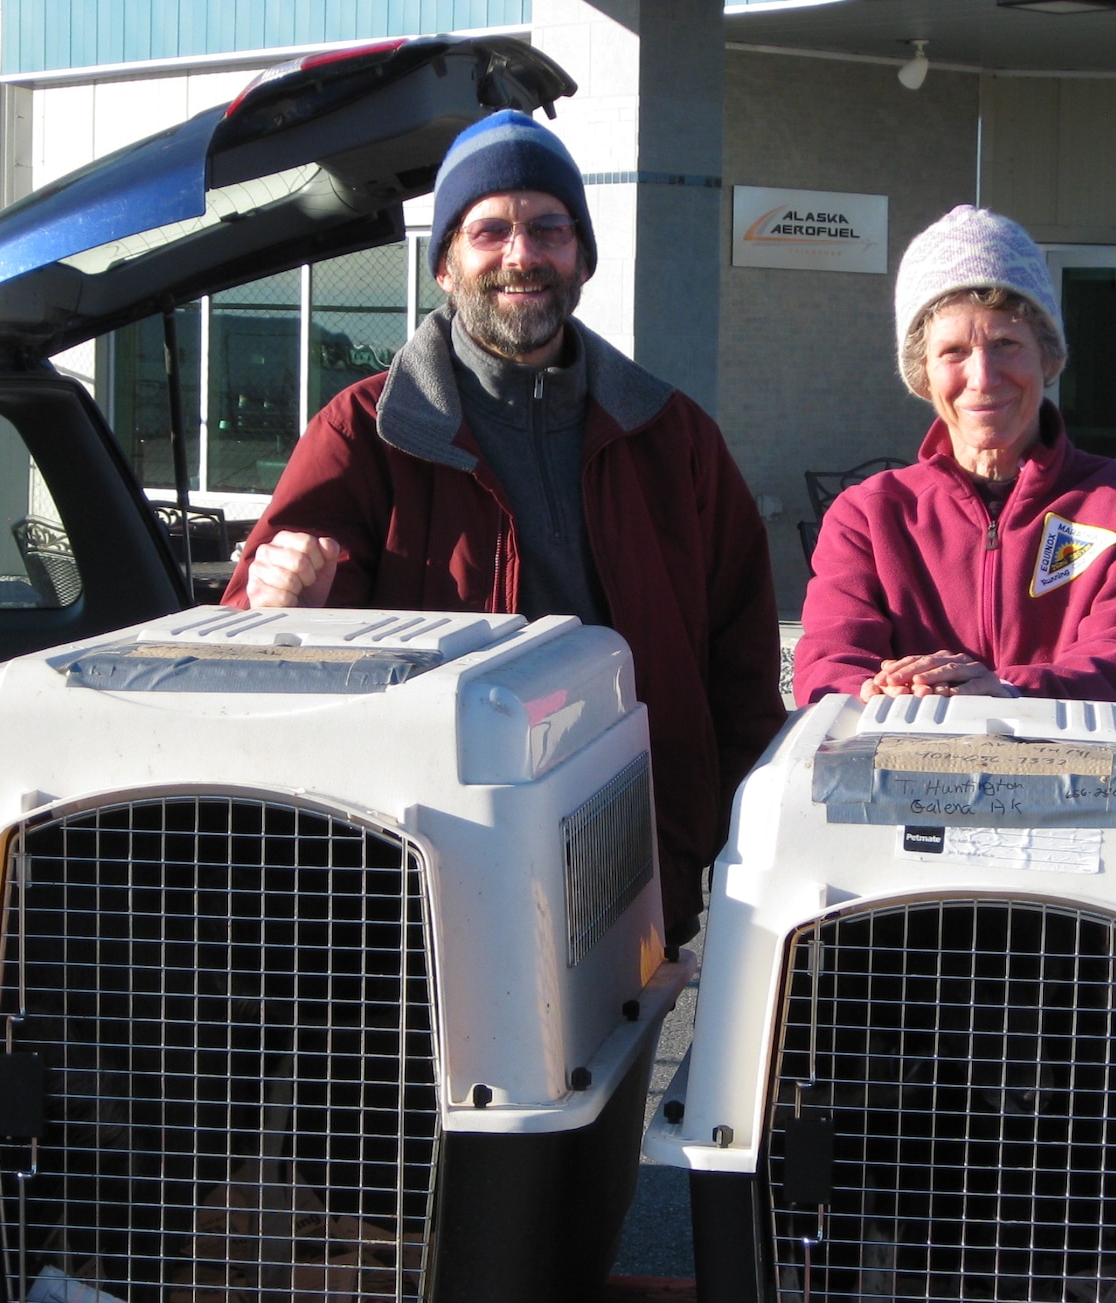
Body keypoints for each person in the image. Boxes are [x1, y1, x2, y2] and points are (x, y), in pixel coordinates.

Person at [223, 110, 784, 947]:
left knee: (611, 1079)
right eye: (490, 231)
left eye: (548, 229)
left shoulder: (674, 437)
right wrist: (276, 606)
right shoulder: (364, 431)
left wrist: (739, 848)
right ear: (446, 264)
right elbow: (252, 654)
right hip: (423, 874)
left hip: (634, 866)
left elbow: (740, 673)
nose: (521, 255)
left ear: (582, 257)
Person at [792, 206, 1116, 709]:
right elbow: (830, 662)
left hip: (1073, 779)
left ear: (1047, 356)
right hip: (903, 776)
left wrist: (1008, 694)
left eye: (1005, 343)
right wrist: (875, 693)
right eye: (953, 351)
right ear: (923, 373)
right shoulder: (866, 516)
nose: (983, 377)